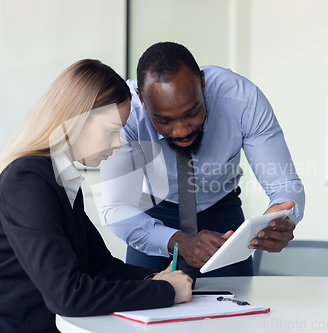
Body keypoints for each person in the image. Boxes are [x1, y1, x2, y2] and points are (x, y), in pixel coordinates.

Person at [0, 59, 192, 333]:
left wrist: (156, 278)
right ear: (76, 120)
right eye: (111, 131)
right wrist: (163, 291)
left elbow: (98, 265)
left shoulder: (60, 177)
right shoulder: (27, 181)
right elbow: (68, 295)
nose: (117, 143)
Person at [101, 42, 305, 279]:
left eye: (191, 113)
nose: (181, 131)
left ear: (202, 83)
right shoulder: (126, 114)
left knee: (234, 312)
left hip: (223, 218)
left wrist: (280, 218)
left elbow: (285, 185)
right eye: (164, 120)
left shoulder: (243, 101)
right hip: (154, 218)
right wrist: (177, 241)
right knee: (146, 309)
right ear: (142, 100)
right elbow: (116, 208)